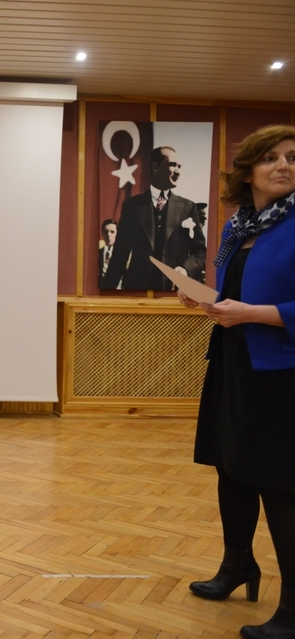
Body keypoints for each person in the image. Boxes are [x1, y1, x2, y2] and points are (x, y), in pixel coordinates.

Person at [179, 125, 295, 639]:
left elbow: (261, 305)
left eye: (292, 157)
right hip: (233, 361)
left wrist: (250, 312)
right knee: (232, 470)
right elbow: (233, 290)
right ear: (248, 171)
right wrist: (202, 296)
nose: (284, 166)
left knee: (281, 487)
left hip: (281, 372)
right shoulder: (239, 224)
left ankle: (293, 610)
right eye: (270, 157)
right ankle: (237, 565)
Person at [105, 146, 206, 290]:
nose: (178, 171)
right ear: (155, 167)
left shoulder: (188, 207)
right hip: (137, 290)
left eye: (179, 166)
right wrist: (107, 291)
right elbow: (120, 254)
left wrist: (185, 269)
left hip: (174, 291)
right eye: (172, 165)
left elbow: (199, 251)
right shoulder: (132, 206)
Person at [98, 218, 119, 288]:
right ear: (102, 234)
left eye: (112, 232)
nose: (109, 235)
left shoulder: (122, 255)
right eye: (105, 232)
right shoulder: (97, 253)